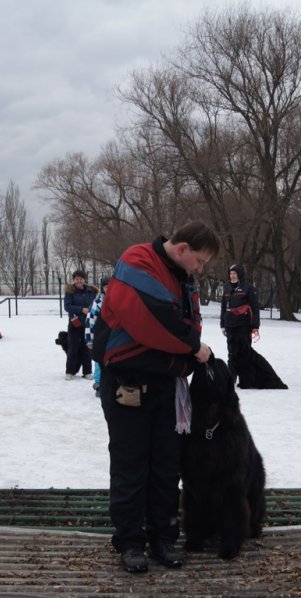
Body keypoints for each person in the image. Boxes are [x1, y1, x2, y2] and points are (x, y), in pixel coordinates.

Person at [93, 221, 221, 573]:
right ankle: (131, 541)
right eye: (200, 260)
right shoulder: (137, 261)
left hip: (166, 385)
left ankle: (163, 536)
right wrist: (193, 348)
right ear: (182, 250)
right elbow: (155, 324)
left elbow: (185, 326)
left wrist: (186, 347)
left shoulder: (183, 278)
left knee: (166, 466)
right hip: (128, 386)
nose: (201, 267)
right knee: (131, 465)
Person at [220, 264, 260, 388]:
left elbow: (255, 307)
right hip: (230, 324)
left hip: (244, 325)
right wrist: (222, 324)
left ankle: (246, 379)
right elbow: (223, 307)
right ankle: (231, 377)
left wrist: (255, 326)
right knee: (231, 351)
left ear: (240, 275)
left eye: (234, 274)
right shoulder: (226, 288)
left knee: (244, 351)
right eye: (230, 274)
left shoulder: (248, 288)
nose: (232, 276)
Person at [63, 270, 98, 380]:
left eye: (81, 278)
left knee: (86, 348)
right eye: (77, 279)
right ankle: (69, 371)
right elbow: (67, 307)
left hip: (88, 324)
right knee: (73, 347)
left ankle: (87, 372)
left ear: (84, 279)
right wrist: (81, 309)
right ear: (74, 280)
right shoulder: (70, 291)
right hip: (74, 323)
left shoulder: (90, 291)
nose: (79, 281)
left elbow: (94, 305)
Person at [85, 275, 110, 397]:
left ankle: (109, 383)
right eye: (106, 287)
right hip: (100, 337)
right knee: (99, 361)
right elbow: (90, 321)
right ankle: (99, 383)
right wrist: (89, 339)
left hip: (112, 337)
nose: (109, 289)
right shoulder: (98, 303)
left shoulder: (117, 300)